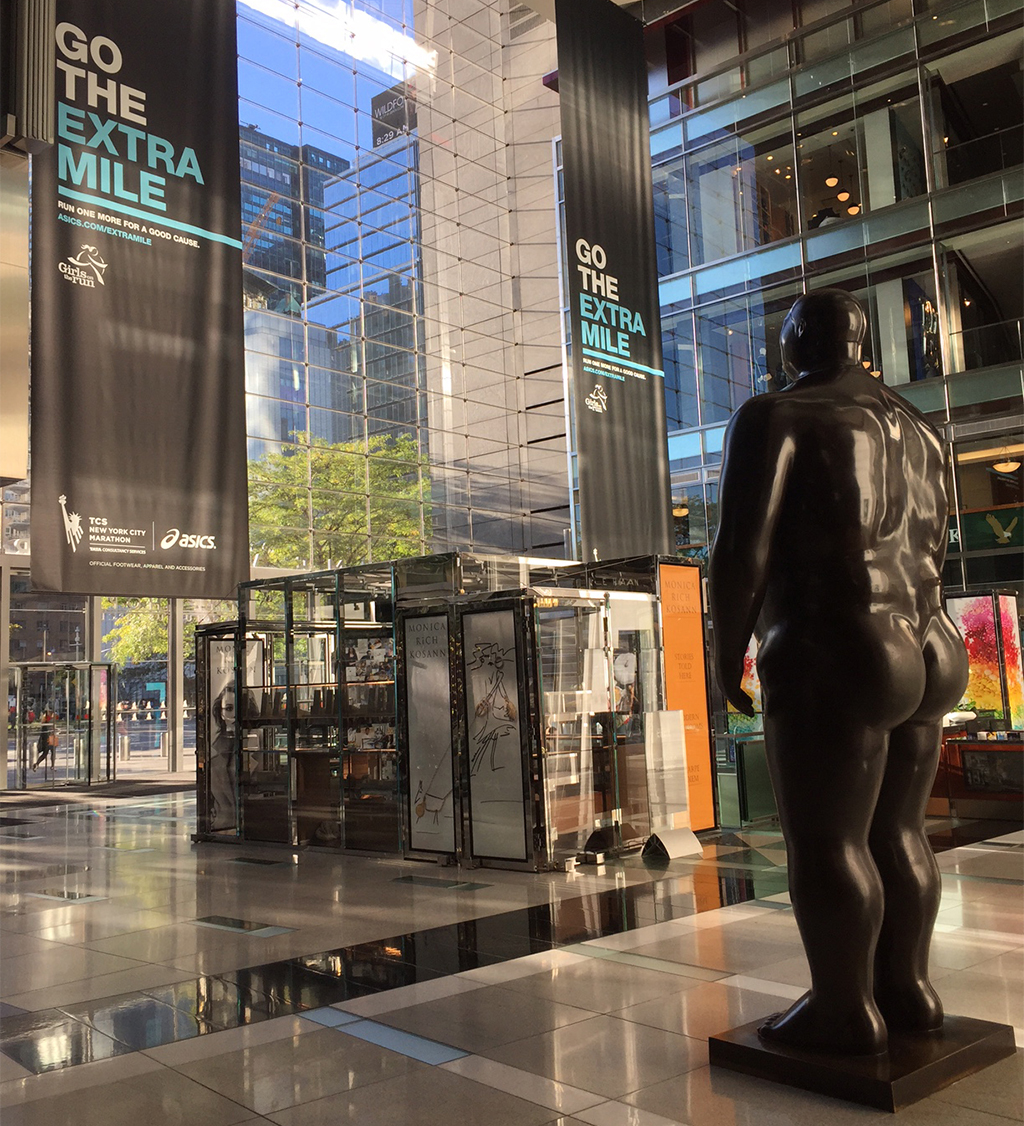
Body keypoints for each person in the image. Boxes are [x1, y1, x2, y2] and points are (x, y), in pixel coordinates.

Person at [709, 289, 968, 1056]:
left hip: (839, 643)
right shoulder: (922, 430)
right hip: (931, 639)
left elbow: (742, 549)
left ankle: (843, 1008)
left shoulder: (777, 415)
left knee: (827, 843)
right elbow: (936, 546)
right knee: (900, 831)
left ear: (797, 341)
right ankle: (907, 991)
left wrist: (727, 652)